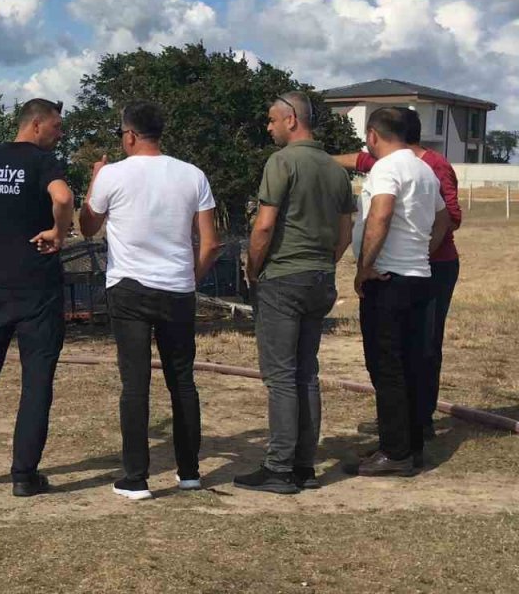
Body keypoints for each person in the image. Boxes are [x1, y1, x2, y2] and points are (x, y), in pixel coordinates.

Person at [79, 101, 221, 500]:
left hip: (128, 287)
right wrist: (188, 278)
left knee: (135, 383)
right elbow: (210, 243)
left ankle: (136, 477)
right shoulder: (192, 175)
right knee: (183, 382)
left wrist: (94, 182)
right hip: (177, 288)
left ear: (129, 135)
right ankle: (190, 471)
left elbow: (88, 227)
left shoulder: (112, 175)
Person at [233, 92, 356, 494]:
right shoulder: (336, 170)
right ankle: (304, 465)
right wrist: (326, 260)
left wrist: (253, 269)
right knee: (307, 373)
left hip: (283, 279)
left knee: (281, 376)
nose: (268, 128)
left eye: (271, 120)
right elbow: (345, 232)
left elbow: (264, 226)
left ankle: (279, 467)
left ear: (291, 120)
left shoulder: (282, 162)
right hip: (320, 277)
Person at [0, 98, 74, 498]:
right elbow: (63, 198)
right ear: (36, 125)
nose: (60, 135)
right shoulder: (42, 163)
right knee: (36, 380)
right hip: (37, 287)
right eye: (56, 127)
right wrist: (58, 232)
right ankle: (24, 475)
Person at [334, 108, 461, 440]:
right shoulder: (422, 169)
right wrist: (421, 253)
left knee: (385, 362)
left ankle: (395, 449)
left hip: (389, 278)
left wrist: (364, 267)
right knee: (410, 357)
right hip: (417, 274)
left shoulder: (388, 168)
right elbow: (444, 217)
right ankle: (410, 437)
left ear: (373, 136)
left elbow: (381, 214)